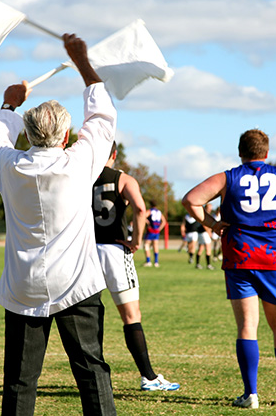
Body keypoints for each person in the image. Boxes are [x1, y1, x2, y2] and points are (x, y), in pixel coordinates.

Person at [0, 34, 117, 416]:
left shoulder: (9, 166)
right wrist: (82, 62)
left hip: (23, 286)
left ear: (28, 133)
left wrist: (9, 104)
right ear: (67, 136)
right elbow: (103, 118)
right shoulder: (78, 161)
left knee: (20, 381)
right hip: (76, 283)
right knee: (92, 372)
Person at [182, 129, 276, 408]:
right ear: (266, 153)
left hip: (240, 255)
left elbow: (191, 200)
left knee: (248, 325)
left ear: (240, 152)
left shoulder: (228, 176)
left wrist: (212, 224)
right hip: (275, 256)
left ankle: (251, 395)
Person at [92, 142, 180, 392]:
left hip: (86, 252)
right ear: (115, 154)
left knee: (89, 315)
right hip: (115, 251)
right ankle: (149, 377)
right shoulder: (124, 179)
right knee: (131, 316)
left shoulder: (81, 176)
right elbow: (140, 209)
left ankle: (94, 377)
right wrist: (136, 241)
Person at [143, 201, 165, 267]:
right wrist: (159, 229)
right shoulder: (159, 212)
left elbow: (143, 216)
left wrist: (147, 222)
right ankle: (156, 262)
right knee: (155, 246)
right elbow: (164, 222)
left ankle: (148, 261)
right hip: (156, 232)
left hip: (150, 231)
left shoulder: (150, 211)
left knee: (146, 245)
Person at [195, 203, 214, 270]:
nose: (211, 209)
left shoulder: (202, 213)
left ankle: (197, 264)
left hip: (200, 233)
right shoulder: (205, 215)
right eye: (209, 208)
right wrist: (209, 232)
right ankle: (208, 265)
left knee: (201, 248)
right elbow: (204, 225)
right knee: (208, 249)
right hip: (204, 233)